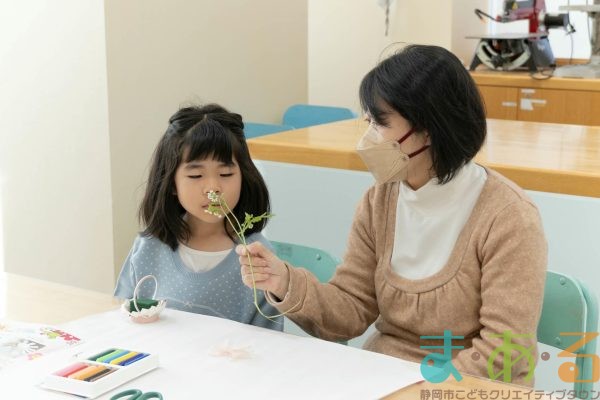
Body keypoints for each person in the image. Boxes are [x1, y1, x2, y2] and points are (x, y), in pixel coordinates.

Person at [236, 45, 547, 384]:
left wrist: (420, 388)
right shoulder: (379, 201)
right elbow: (350, 309)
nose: (368, 138)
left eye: (380, 123)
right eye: (368, 121)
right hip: (386, 378)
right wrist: (284, 282)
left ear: (429, 130)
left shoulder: (509, 217)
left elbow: (505, 349)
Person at [114, 103, 281, 331]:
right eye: (195, 175)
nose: (213, 187)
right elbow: (122, 323)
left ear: (244, 176)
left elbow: (270, 343)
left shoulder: (257, 257)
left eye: (226, 174)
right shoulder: (148, 247)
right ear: (171, 182)